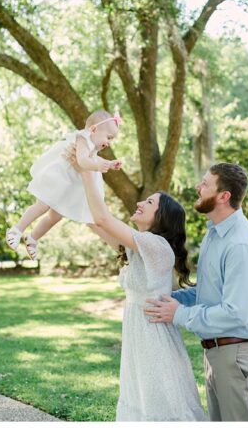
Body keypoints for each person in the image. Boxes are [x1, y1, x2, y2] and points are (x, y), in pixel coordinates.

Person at [144, 163, 248, 422]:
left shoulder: (240, 244)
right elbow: (209, 293)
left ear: (223, 196)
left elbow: (235, 313)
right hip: (218, 354)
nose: (198, 186)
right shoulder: (215, 234)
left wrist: (180, 314)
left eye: (205, 183)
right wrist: (169, 300)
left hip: (239, 357)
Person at [77, 165, 205, 421]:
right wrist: (80, 174)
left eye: (149, 202)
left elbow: (103, 219)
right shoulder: (140, 246)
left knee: (161, 405)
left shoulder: (157, 246)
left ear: (161, 217)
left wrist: (87, 170)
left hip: (153, 339)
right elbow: (93, 221)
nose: (139, 203)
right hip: (139, 335)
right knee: (142, 403)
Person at [6, 109, 123, 259]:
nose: (108, 143)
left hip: (66, 187)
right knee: (41, 206)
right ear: (93, 129)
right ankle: (16, 230)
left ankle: (33, 238)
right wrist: (98, 167)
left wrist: (109, 163)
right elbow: (82, 160)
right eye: (108, 137)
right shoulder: (82, 138)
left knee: (55, 216)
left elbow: (94, 159)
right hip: (57, 179)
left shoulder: (91, 147)